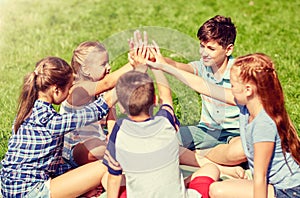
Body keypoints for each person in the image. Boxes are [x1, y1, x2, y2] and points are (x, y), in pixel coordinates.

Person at [103, 45, 220, 198]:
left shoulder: (119, 130)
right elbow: (167, 98)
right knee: (211, 169)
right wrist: (157, 67)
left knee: (107, 177)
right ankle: (181, 185)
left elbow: (113, 179)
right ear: (155, 100)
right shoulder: (166, 122)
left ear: (122, 108)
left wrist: (138, 68)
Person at [0, 57, 115, 197]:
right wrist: (111, 97)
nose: (69, 92)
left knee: (86, 175)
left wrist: (81, 186)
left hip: (12, 189)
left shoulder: (28, 111)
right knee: (105, 166)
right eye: (69, 87)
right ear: (56, 89)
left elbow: (48, 164)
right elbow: (83, 116)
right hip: (29, 192)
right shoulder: (49, 120)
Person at [147, 15, 247, 168]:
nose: (204, 52)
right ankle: (212, 159)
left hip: (235, 135)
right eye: (202, 46)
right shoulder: (203, 66)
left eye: (211, 48)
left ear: (228, 49)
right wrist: (157, 58)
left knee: (241, 150)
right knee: (162, 140)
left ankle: (200, 154)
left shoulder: (240, 72)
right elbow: (179, 66)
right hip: (205, 130)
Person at [207, 53, 300, 198]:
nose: (230, 89)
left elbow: (260, 177)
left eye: (232, 85)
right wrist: (167, 67)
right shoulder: (247, 107)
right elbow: (204, 87)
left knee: (217, 190)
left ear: (248, 90)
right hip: (272, 184)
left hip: (289, 191)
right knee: (220, 187)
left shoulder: (263, 124)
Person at [60, 41, 117, 170]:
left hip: (100, 143)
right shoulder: (78, 90)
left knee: (115, 139)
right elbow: (108, 83)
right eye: (103, 64)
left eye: (108, 62)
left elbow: (112, 119)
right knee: (97, 146)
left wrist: (114, 137)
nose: (109, 67)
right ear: (85, 69)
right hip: (74, 151)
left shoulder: (102, 94)